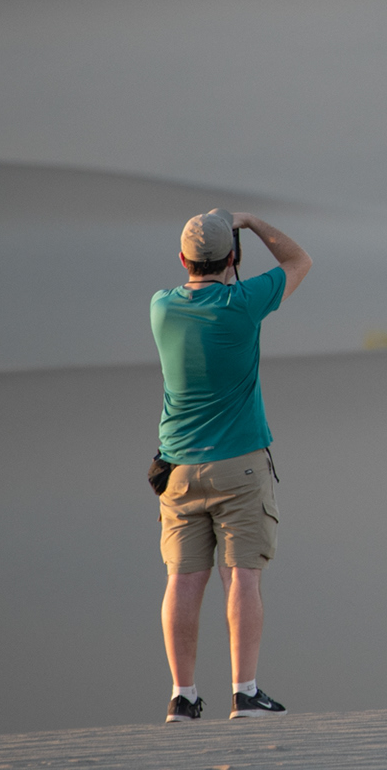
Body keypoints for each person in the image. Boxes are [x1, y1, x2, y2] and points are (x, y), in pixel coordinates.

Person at [150, 208, 311, 722]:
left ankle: (183, 696)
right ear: (233, 257)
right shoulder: (243, 304)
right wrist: (255, 222)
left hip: (177, 469)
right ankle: (245, 692)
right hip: (239, 465)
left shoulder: (161, 308)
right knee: (241, 577)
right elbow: (299, 260)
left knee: (183, 579)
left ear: (182, 259)